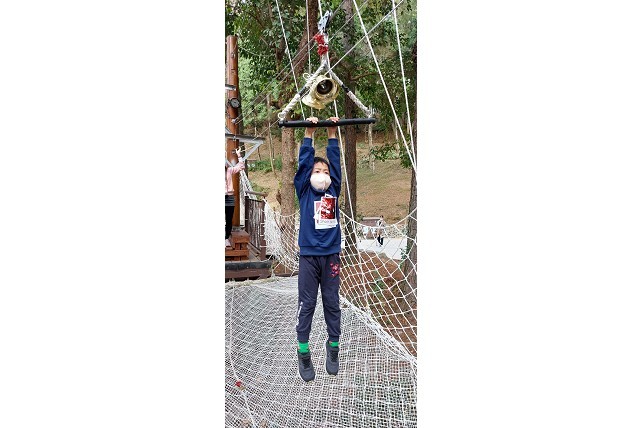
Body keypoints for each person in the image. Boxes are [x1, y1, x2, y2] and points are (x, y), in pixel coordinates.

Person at [293, 116, 342, 382]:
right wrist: (309, 134)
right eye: (317, 170)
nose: (322, 174)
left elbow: (335, 163)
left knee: (331, 303)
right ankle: (303, 351)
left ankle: (333, 347)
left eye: (325, 171)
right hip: (309, 257)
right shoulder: (305, 191)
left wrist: (332, 133)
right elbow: (303, 165)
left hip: (331, 256)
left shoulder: (334, 189)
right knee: (307, 304)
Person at [225, 148, 245, 248]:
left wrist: (239, 155)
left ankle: (226, 238)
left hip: (229, 198)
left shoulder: (229, 170)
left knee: (229, 219)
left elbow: (241, 167)